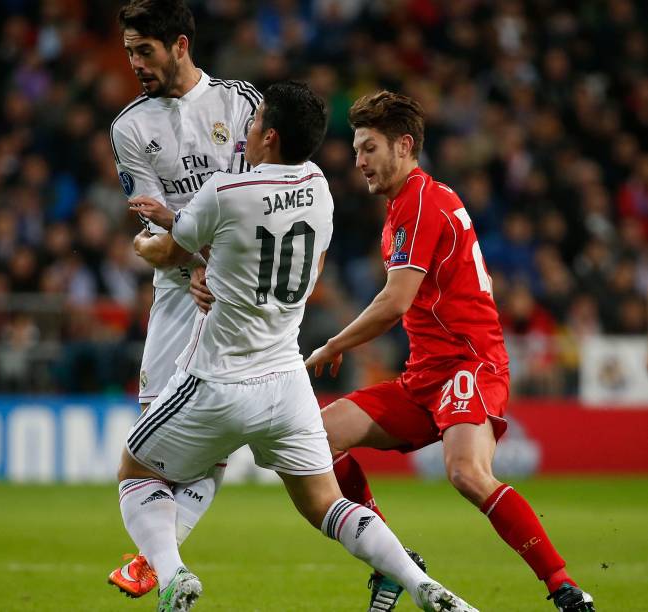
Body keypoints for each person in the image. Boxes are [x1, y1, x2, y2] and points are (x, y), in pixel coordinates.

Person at [117, 81, 478, 612]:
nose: (249, 126)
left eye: (256, 118)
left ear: (269, 135)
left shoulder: (224, 190)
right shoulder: (321, 190)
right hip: (287, 385)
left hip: (217, 378)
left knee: (136, 470)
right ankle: (418, 580)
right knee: (328, 504)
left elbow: (170, 251)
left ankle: (171, 575)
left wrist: (143, 239)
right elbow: (293, 266)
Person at [305, 90, 595, 612]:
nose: (358, 161)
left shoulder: (420, 201)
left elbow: (395, 303)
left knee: (466, 472)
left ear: (404, 146)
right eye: (356, 150)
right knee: (317, 438)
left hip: (469, 364)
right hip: (424, 375)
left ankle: (564, 587)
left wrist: (332, 343)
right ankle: (395, 562)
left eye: (369, 148)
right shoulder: (405, 205)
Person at [108, 0, 259, 597]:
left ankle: (160, 563)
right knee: (154, 430)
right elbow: (149, 234)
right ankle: (162, 560)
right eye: (127, 52)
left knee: (213, 432)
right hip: (176, 294)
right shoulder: (129, 127)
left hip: (241, 292)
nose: (134, 63)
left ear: (179, 44)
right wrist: (190, 256)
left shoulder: (240, 104)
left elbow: (260, 199)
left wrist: (205, 256)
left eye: (143, 50)